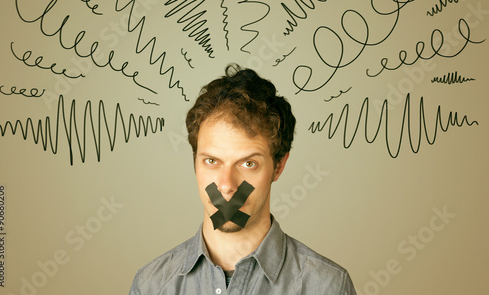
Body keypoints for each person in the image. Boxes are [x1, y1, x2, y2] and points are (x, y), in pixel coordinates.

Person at [129, 64, 357, 294]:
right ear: (195, 163)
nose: (227, 185)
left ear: (279, 166)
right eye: (211, 161)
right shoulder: (151, 285)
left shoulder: (328, 286)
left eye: (248, 164)